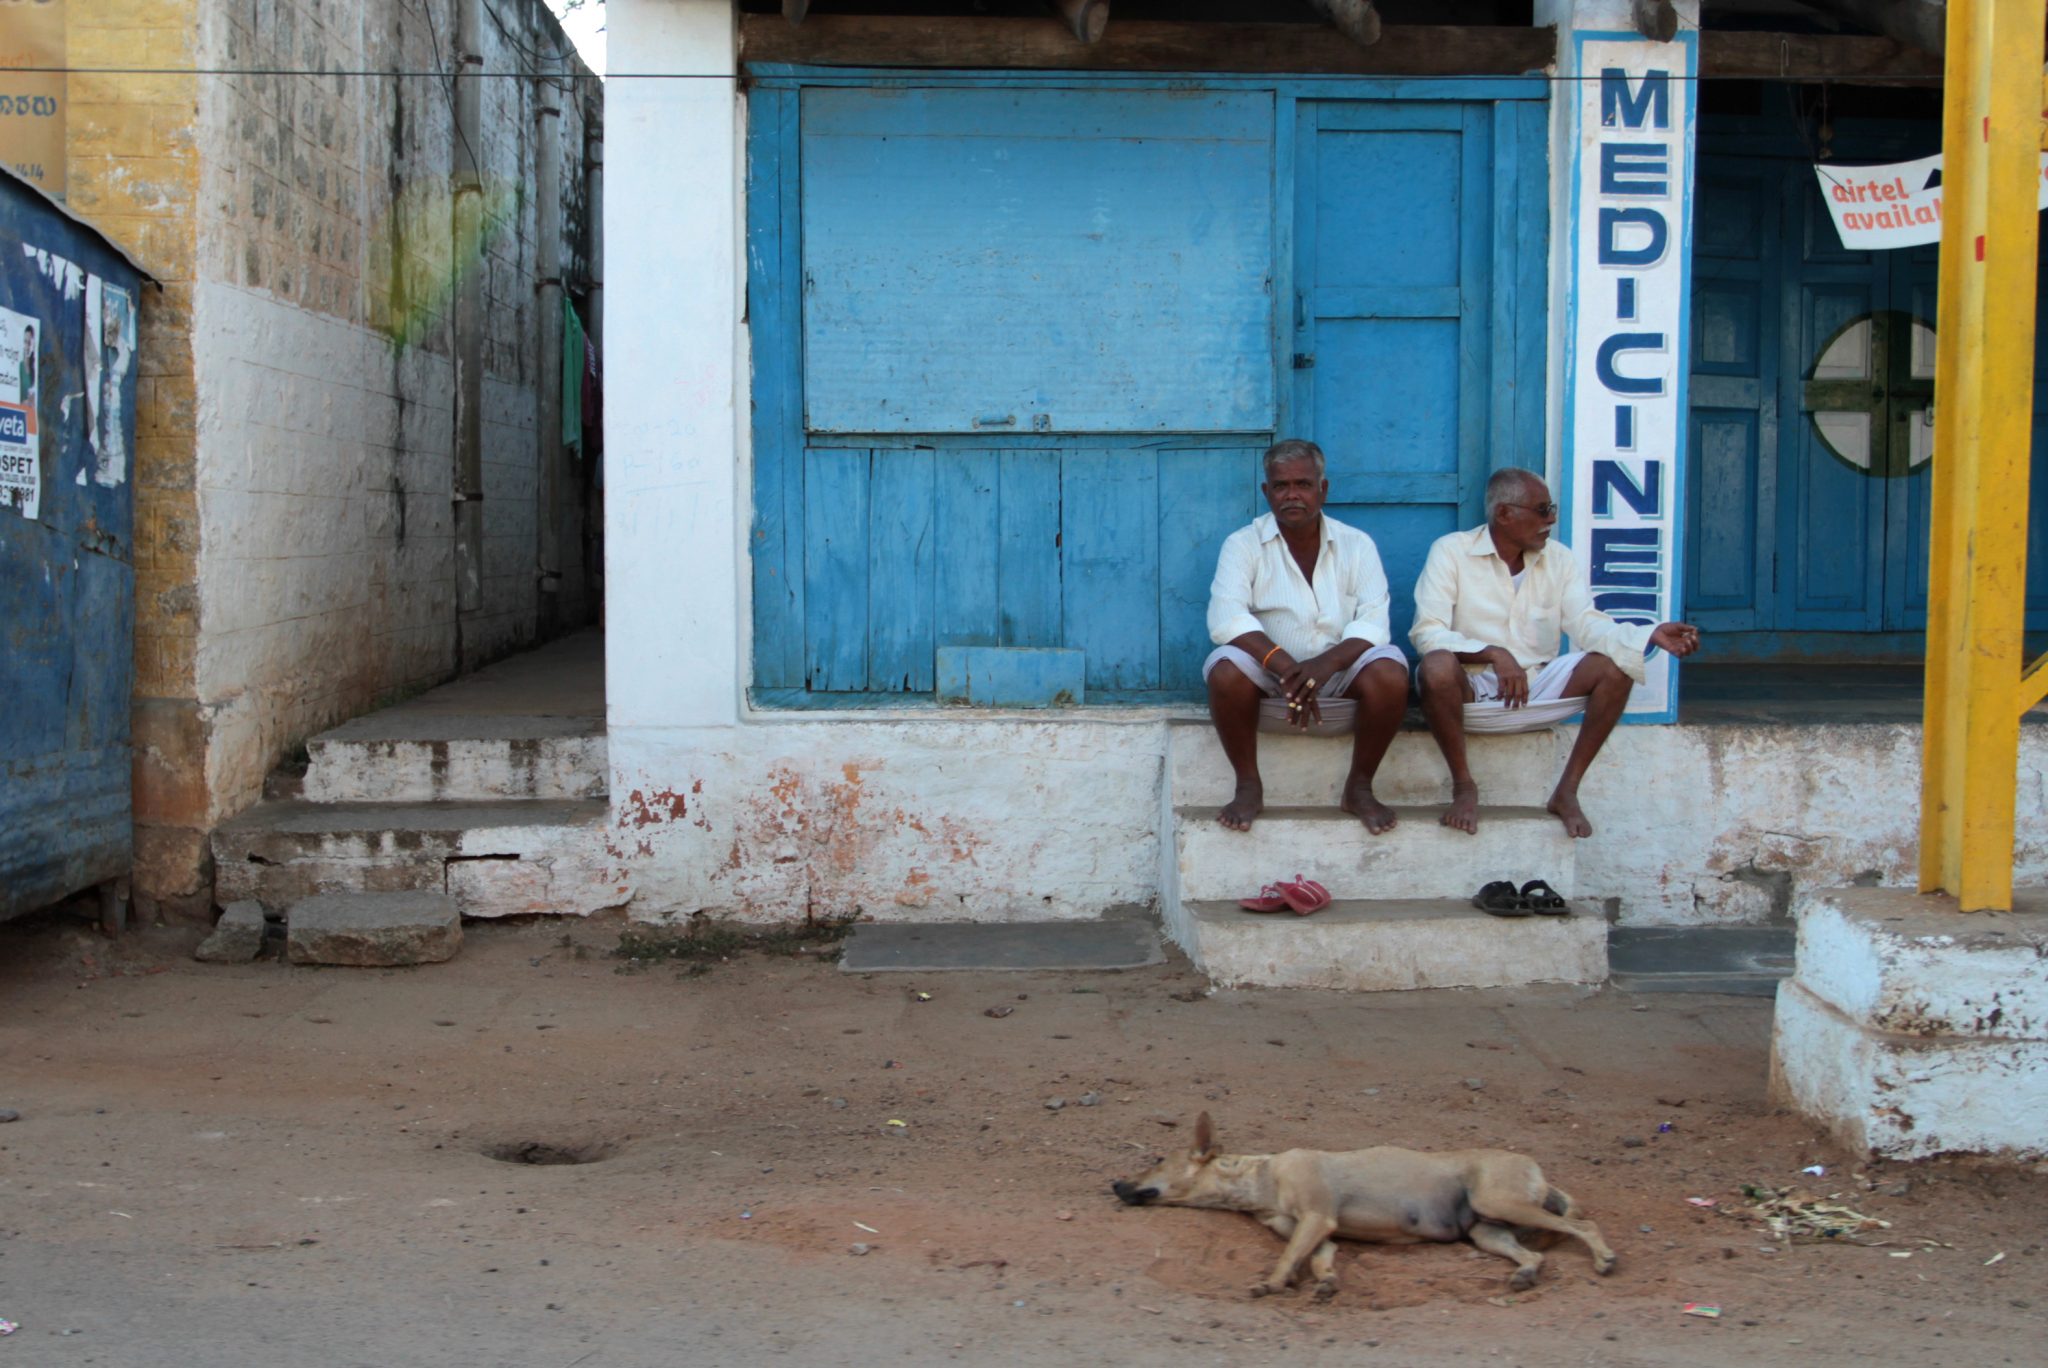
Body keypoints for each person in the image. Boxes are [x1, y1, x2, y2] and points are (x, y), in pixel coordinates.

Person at [1411, 467, 1700, 839]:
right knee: (1435, 665)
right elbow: (1427, 632)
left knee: (1618, 664)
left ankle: (1567, 791)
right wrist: (1494, 654)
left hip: (1536, 688)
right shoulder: (1452, 551)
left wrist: (1648, 635)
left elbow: (1587, 624)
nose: (1550, 519)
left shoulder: (1559, 559)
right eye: (1542, 510)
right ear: (1504, 513)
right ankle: (1464, 787)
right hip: (1471, 690)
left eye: (1552, 509)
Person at [1204, 439, 1410, 834]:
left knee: (1389, 670)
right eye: (1281, 486)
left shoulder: (1356, 544)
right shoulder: (1243, 544)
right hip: (1270, 676)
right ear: (1266, 491)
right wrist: (1288, 668)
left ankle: (1359, 787)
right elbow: (1226, 618)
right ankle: (1248, 785)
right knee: (1225, 669)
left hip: (1339, 672)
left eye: (1303, 484)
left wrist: (1323, 665)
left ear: (1323, 489)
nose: (1292, 495)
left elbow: (1374, 622)